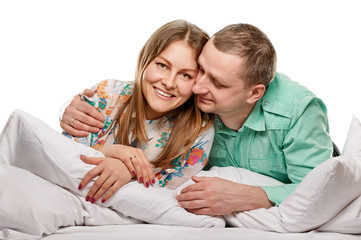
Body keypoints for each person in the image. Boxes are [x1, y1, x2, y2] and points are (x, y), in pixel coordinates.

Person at [61, 23, 333, 215]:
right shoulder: (190, 95)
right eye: (200, 70)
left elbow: (321, 192)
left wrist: (252, 196)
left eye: (216, 82)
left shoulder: (298, 112)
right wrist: (75, 110)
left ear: (255, 93)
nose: (199, 87)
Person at [61, 19, 215, 205]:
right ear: (145, 59)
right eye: (162, 65)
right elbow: (62, 156)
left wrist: (128, 171)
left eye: (185, 75)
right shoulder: (106, 95)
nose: (169, 82)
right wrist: (111, 152)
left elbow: (166, 200)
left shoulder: (198, 134)